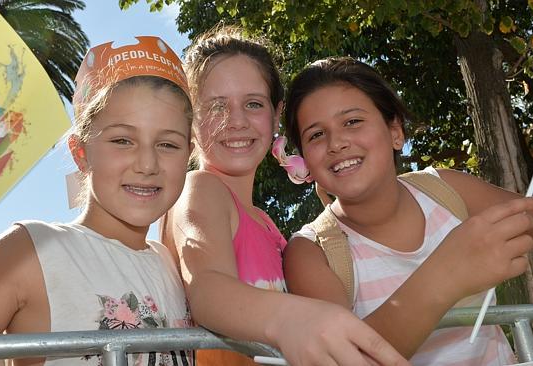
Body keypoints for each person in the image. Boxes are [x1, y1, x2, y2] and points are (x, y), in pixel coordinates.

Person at [280, 56, 533, 365]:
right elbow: (345, 359)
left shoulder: (444, 190)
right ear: (305, 159)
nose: (336, 143)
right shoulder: (312, 253)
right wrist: (446, 275)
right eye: (316, 134)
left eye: (352, 121)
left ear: (395, 132)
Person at [160, 27, 408, 366]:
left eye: (253, 104)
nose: (236, 121)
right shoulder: (200, 189)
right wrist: (296, 318)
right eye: (217, 107)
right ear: (190, 119)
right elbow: (208, 289)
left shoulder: (264, 222)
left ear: (276, 114)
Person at [0, 36, 195, 366]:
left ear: (189, 154)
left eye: (168, 144)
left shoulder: (174, 267)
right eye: (122, 140)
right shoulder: (31, 250)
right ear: (80, 152)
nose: (147, 164)